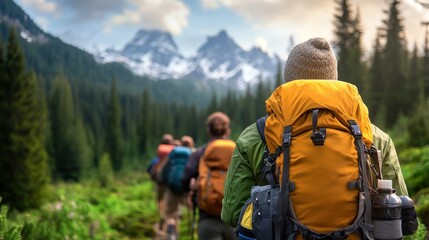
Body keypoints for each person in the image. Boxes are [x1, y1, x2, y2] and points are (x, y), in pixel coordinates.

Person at [221, 37, 409, 231]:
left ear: (289, 80)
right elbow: (400, 209)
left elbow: (232, 212)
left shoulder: (255, 136)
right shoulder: (376, 137)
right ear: (333, 80)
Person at [182, 112, 236, 240]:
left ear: (208, 130)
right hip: (235, 219)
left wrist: (192, 188)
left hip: (207, 218)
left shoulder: (201, 153)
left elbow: (184, 180)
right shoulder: (239, 151)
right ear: (227, 130)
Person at [163, 135, 195, 240]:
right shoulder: (192, 154)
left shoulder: (174, 152)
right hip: (185, 189)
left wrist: (166, 182)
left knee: (170, 213)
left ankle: (171, 232)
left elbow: (165, 169)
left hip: (172, 188)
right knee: (185, 212)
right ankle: (183, 233)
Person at [150, 133, 175, 231]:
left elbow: (152, 167)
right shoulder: (174, 151)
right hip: (170, 182)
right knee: (169, 201)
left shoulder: (160, 153)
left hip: (160, 182)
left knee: (160, 200)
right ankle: (170, 221)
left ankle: (161, 215)